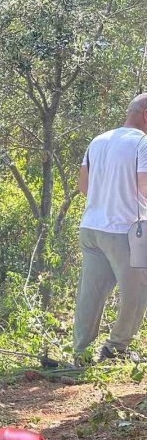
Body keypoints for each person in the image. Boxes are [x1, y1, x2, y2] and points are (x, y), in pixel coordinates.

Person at [73, 93, 147, 364]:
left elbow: (84, 187)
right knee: (138, 290)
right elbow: (145, 186)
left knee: (91, 292)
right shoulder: (142, 143)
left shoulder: (98, 140)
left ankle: (80, 352)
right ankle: (116, 348)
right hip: (125, 230)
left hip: (91, 227)